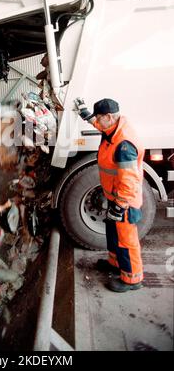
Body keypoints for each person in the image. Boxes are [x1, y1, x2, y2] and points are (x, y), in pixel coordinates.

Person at [74, 97, 144, 292]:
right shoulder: (112, 128)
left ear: (109, 116)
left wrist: (120, 206)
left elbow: (129, 181)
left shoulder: (124, 146)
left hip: (125, 202)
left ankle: (132, 279)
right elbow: (98, 124)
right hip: (115, 198)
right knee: (113, 234)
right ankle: (115, 264)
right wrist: (84, 113)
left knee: (126, 240)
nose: (97, 122)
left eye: (99, 118)